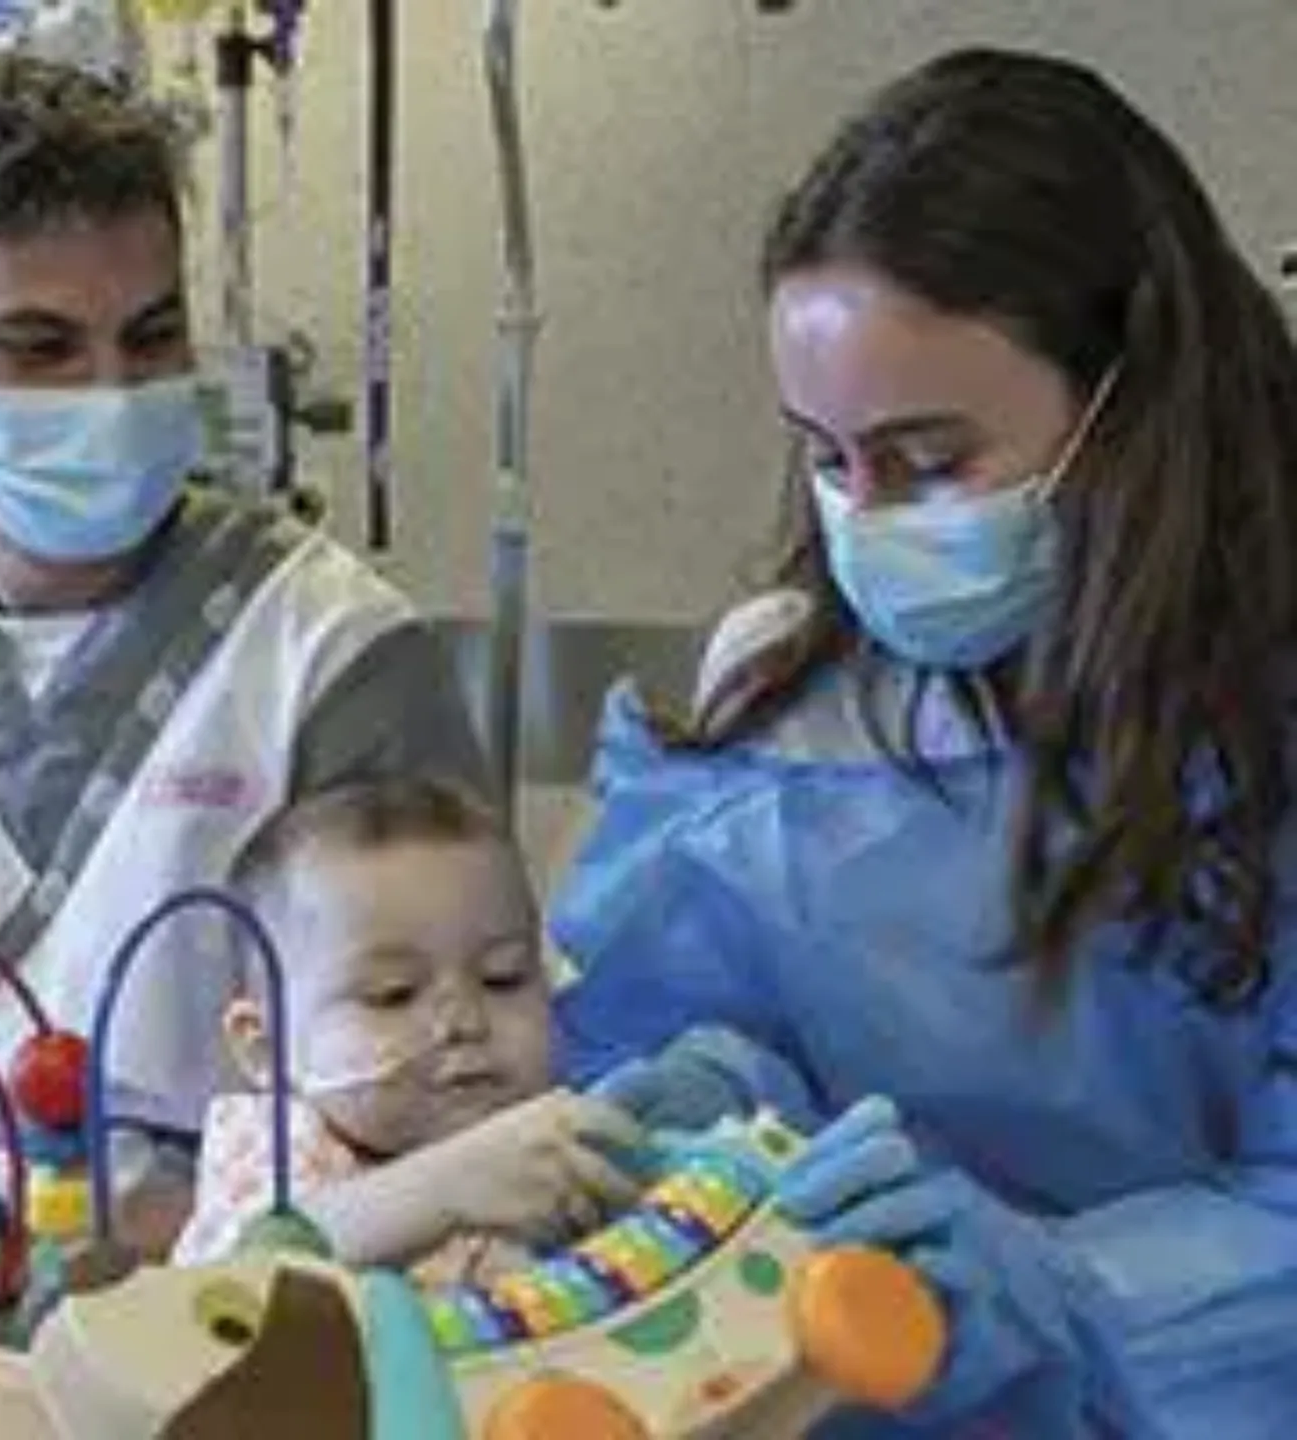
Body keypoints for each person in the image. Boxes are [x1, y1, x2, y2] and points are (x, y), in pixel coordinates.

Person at [550, 47, 1297, 1440]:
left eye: (933, 460)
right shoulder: (784, 696)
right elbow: (706, 1004)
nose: (868, 518)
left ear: (1130, 402)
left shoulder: (1260, 734)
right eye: (829, 460)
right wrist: (716, 1103)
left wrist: (1055, 1300)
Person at [0, 55, 489, 1231]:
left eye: (151, 336)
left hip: (232, 1322)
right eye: (40, 348)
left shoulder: (331, 657)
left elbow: (459, 1096)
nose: (111, 389)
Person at [174, 776, 647, 1274]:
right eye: (393, 994)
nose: (464, 1022)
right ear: (266, 1049)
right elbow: (232, 1286)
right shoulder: (278, 1146)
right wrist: (445, 1186)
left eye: (502, 978)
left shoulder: (546, 1128)